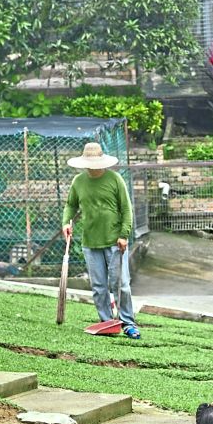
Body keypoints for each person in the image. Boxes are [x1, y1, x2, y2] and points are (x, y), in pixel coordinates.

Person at [61, 141, 141, 338]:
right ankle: (106, 322)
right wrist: (66, 223)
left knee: (120, 284)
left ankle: (128, 323)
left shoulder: (115, 179)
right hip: (90, 242)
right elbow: (71, 205)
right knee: (98, 286)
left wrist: (124, 235)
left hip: (115, 241)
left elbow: (126, 209)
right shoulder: (79, 182)